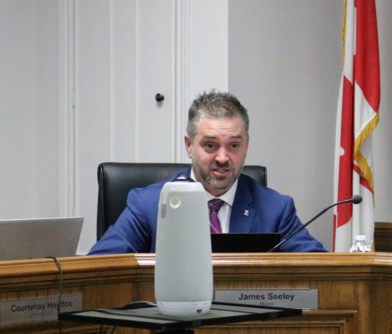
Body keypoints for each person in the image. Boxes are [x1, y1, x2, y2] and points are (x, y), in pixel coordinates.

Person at [89, 91, 326, 254]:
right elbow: (103, 265)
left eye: (234, 145)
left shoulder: (275, 209)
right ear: (189, 145)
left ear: (247, 146)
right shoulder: (148, 205)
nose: (222, 158)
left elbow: (319, 269)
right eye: (210, 145)